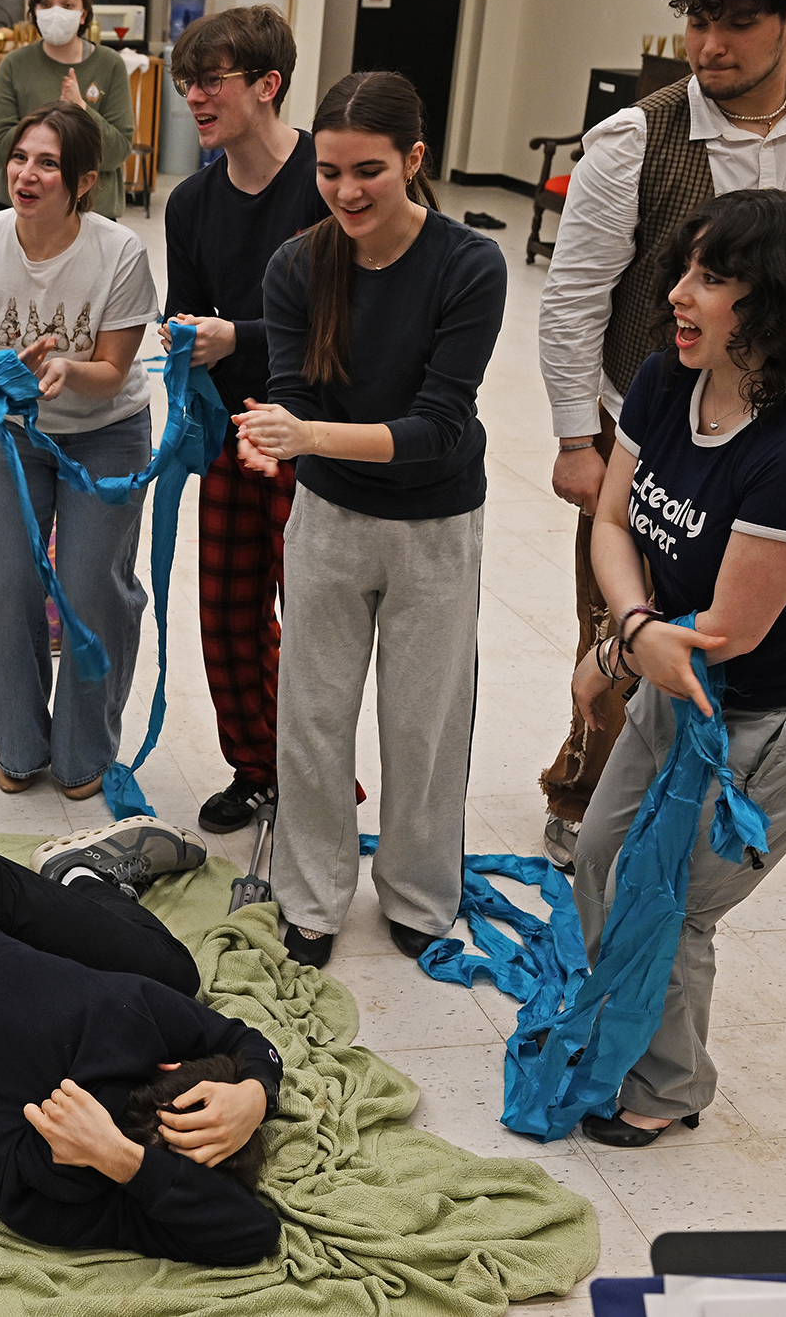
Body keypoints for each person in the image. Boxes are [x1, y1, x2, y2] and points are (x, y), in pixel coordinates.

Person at [534, 0, 786, 868]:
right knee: (620, 621)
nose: (708, 44)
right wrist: (578, 437)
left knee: (740, 623)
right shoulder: (634, 135)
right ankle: (586, 791)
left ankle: (705, 799)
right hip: (656, 411)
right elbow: (573, 298)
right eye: (697, 19)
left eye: (735, 21)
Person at [568, 190, 786, 1148]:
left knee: (674, 897)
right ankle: (624, 1033)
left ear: (779, 303)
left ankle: (668, 1086)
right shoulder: (668, 379)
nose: (677, 295)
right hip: (676, 664)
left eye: (711, 277)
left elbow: (733, 634)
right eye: (683, 269)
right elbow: (613, 522)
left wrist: (623, 653)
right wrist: (628, 628)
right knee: (600, 859)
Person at [236, 72, 506, 970]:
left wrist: (303, 434)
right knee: (312, 714)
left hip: (435, 526)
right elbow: (285, 393)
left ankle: (422, 893)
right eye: (329, 172)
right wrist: (272, 439)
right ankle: (310, 898)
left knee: (423, 721)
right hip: (329, 518)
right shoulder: (296, 265)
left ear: (415, 161)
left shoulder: (470, 266)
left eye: (370, 171)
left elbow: (438, 431)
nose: (347, 192)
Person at [0, 823, 281, 1265]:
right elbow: (252, 1233)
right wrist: (122, 1161)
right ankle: (70, 885)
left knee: (174, 975)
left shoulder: (131, 1018)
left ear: (169, 1065)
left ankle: (79, 877)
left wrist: (257, 1088)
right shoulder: (44, 1188)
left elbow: (237, 1038)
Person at [0, 103, 158, 801]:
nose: (27, 175)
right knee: (8, 588)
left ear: (83, 180)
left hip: (107, 429)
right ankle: (22, 747)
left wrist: (65, 371)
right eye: (20, 158)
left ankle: (81, 751)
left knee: (93, 591)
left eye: (49, 163)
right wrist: (9, 374)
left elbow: (114, 373)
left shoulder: (119, 252)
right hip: (11, 431)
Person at [161, 5, 334, 837]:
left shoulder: (328, 180)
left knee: (313, 623)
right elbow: (185, 313)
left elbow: (353, 315)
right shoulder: (191, 203)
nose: (193, 94)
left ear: (267, 85)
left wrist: (242, 336)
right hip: (236, 431)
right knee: (228, 615)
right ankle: (255, 767)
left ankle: (315, 779)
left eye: (210, 79)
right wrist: (184, 336)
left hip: (321, 435)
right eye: (185, 80)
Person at [0, 0, 137, 221]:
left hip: (91, 212)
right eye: (46, 4)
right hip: (20, 211)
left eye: (67, 5)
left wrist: (82, 109)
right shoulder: (14, 64)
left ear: (83, 15)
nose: (56, 13)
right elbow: (0, 147)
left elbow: (117, 153)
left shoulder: (110, 64)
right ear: (34, 12)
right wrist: (50, 118)